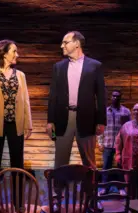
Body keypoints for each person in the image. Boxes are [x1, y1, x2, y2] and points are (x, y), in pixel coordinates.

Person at [0, 39, 33, 206]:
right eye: (14, 51)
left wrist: (28, 124)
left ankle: (18, 202)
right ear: (3, 53)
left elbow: (25, 101)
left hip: (15, 124)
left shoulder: (21, 75)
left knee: (17, 163)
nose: (17, 54)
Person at [46, 31, 106, 169]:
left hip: (86, 118)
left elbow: (101, 95)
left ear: (77, 44)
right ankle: (58, 190)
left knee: (89, 160)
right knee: (60, 160)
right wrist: (50, 121)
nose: (62, 46)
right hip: (63, 118)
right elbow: (53, 95)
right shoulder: (59, 67)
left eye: (65, 42)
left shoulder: (94, 66)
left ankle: (90, 190)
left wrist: (101, 121)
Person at [97, 89, 130, 193]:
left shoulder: (126, 111)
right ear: (111, 97)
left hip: (121, 145)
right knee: (106, 167)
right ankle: (104, 187)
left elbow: (128, 128)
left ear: (120, 98)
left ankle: (121, 188)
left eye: (117, 96)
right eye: (114, 96)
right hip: (108, 143)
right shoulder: (105, 111)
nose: (115, 98)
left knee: (121, 167)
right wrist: (100, 142)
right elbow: (100, 127)